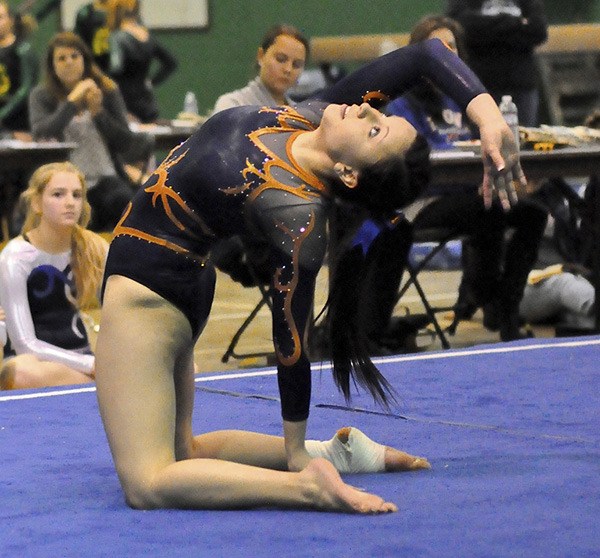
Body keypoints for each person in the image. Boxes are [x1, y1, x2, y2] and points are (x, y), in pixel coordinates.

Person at [94, 38, 523, 513]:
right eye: (376, 114)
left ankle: (308, 485)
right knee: (183, 454)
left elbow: (291, 335)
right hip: (178, 285)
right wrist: (488, 117)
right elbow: (425, 55)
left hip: (146, 297)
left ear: (349, 173)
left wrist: (296, 452)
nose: (365, 112)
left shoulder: (297, 214)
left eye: (376, 129)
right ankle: (337, 453)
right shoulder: (310, 116)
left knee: (147, 483)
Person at [381, 14, 547, 343]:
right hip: (421, 201)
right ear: (419, 54)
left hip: (470, 194)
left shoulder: (464, 98)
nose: (446, 53)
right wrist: (460, 148)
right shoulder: (401, 100)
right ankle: (487, 296)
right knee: (489, 209)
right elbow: (409, 152)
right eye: (437, 47)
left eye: (452, 47)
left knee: (533, 214)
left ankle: (506, 306)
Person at [0, 162, 109, 390]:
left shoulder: (94, 248)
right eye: (58, 194)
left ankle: (102, 385)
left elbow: (123, 308)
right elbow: (24, 345)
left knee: (183, 366)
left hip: (82, 359)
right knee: (19, 372)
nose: (70, 202)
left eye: (77, 195)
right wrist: (91, 365)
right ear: (37, 203)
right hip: (38, 363)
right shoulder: (16, 257)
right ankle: (102, 386)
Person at [28, 31, 151, 232]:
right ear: (52, 66)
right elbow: (42, 134)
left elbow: (126, 142)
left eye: (75, 56)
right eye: (61, 58)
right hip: (63, 181)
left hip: (105, 177)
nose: (69, 62)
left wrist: (99, 114)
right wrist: (70, 103)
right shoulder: (42, 96)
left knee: (125, 204)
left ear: (85, 59)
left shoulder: (107, 90)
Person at [446, 0, 548, 126]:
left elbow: (538, 30)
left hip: (522, 86)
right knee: (484, 139)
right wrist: (515, 22)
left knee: (523, 139)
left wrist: (488, 28)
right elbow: (462, 27)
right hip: (480, 87)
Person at [105, 0, 177, 123]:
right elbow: (171, 62)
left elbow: (116, 68)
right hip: (147, 102)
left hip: (125, 103)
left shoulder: (117, 37)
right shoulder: (145, 35)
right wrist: (151, 82)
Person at [213, 23, 309, 113]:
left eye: (296, 65)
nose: (288, 69)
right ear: (261, 56)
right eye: (280, 59)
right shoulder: (232, 105)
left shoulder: (300, 115)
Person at [0, 0, 37, 136]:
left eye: (0, 18)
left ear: (10, 20)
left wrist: (3, 114)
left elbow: (26, 90)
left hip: (18, 123)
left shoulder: (22, 49)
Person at [73, 0, 111, 73]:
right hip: (92, 66)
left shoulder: (122, 11)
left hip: (118, 69)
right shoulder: (84, 13)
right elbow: (77, 43)